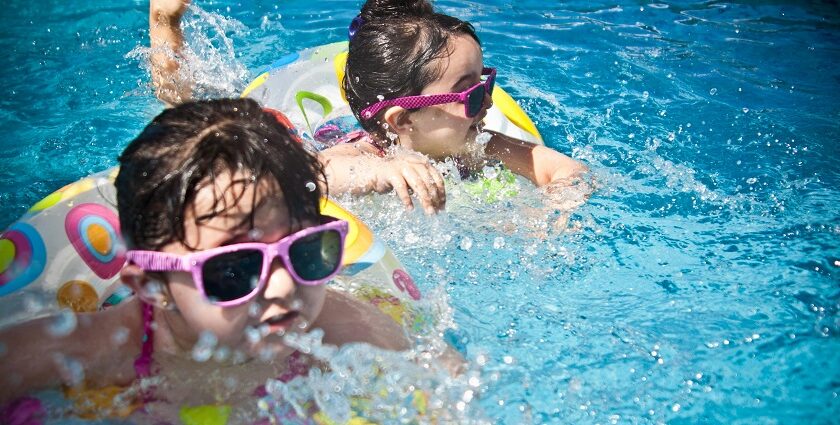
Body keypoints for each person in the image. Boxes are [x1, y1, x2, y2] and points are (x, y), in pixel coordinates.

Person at [0, 98, 408, 421]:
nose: (284, 286)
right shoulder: (88, 353)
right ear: (151, 285)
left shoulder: (345, 331)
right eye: (235, 269)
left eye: (304, 251)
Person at [148, 0, 588, 215]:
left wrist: (555, 212)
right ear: (401, 120)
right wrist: (377, 174)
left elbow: (564, 170)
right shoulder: (365, 154)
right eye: (471, 95)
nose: (488, 104)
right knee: (187, 119)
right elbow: (309, 179)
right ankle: (165, 23)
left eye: (486, 84)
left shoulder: (481, 144)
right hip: (318, 135)